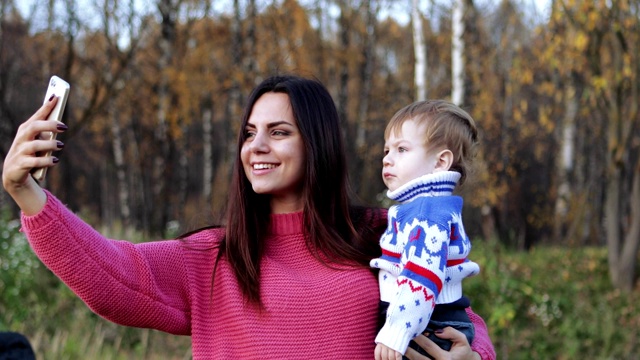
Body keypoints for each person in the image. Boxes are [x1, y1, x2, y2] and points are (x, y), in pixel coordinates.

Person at [2, 74, 495, 359]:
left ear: (316, 144)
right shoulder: (213, 256)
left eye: (278, 132)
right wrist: (25, 193)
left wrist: (475, 357)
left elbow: (459, 314)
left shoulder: (379, 232)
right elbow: (113, 274)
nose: (256, 146)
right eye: (249, 133)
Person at [372, 100, 481, 360]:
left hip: (426, 325)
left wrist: (396, 331)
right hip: (429, 319)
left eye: (401, 149)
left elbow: (421, 276)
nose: (387, 159)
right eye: (387, 150)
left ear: (440, 161)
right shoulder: (427, 208)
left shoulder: (427, 213)